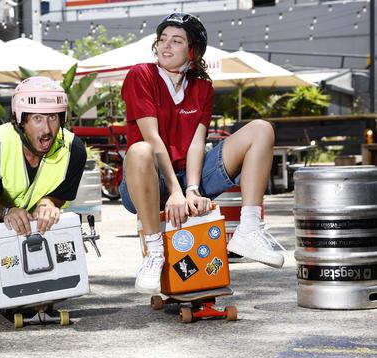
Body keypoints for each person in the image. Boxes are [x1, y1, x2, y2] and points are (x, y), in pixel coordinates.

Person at [120, 12, 285, 294]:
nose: (166, 46)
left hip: (188, 177)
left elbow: (197, 143)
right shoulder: (141, 74)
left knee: (261, 129)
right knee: (139, 150)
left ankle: (249, 229)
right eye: (162, 40)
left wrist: (193, 189)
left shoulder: (203, 87)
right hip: (149, 180)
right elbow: (153, 139)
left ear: (192, 51)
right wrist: (175, 191)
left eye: (176, 41)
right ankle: (155, 251)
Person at [0, 76, 87, 234]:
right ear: (20, 121)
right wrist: (8, 212)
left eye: (53, 117)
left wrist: (48, 202)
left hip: (39, 230)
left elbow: (61, 196)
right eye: (37, 118)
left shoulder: (74, 150)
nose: (47, 130)